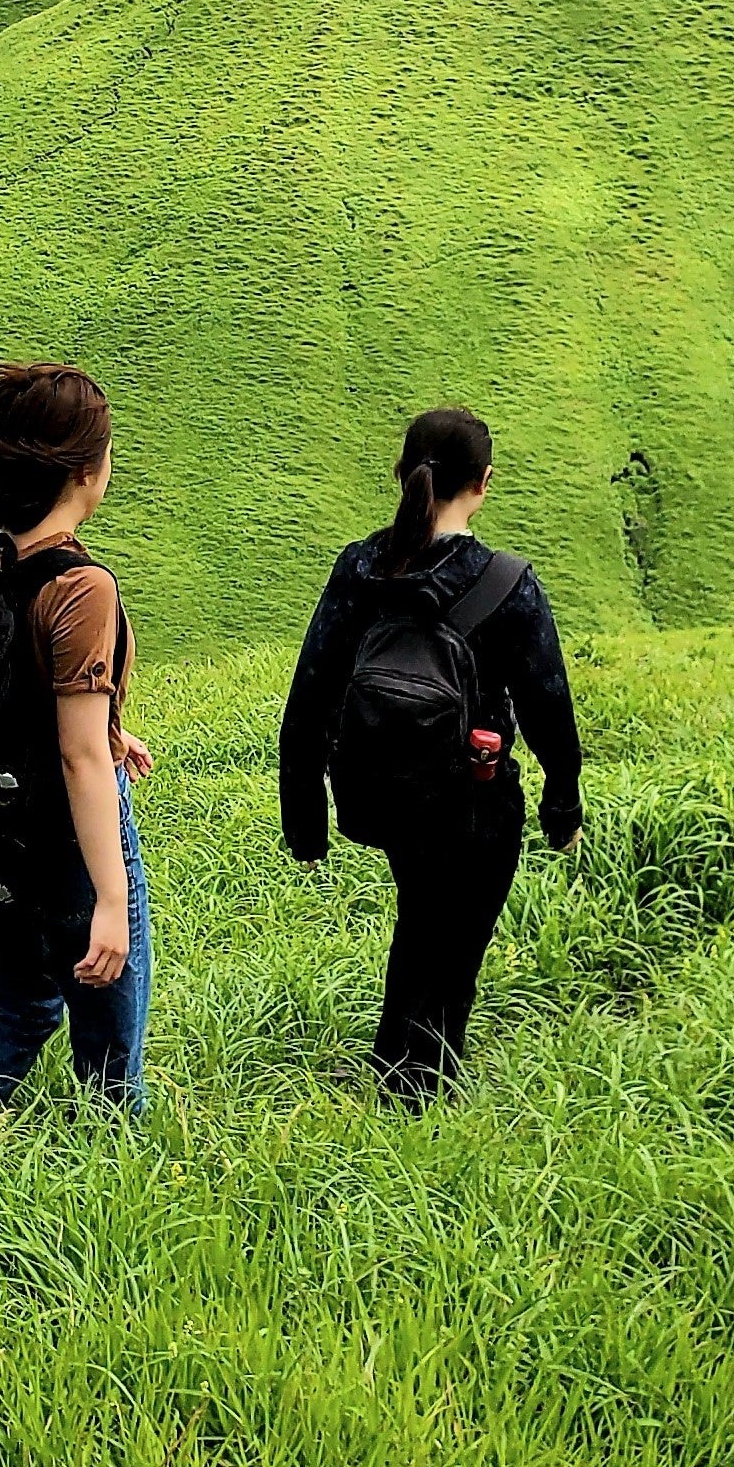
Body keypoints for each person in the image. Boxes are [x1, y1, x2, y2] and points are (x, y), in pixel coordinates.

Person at [279, 407, 583, 1100]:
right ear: (485, 481)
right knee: (451, 943)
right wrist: (561, 803)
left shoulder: (360, 567)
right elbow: (548, 704)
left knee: (423, 918)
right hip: (473, 799)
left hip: (380, 788)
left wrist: (306, 817)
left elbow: (311, 694)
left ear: (403, 473)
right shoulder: (507, 583)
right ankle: (415, 1087)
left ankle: (408, 1073)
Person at [0, 362, 155, 1108]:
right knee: (111, 1055)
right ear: (87, 469)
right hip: (70, 841)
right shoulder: (83, 587)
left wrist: (112, 730)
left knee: (14, 1007)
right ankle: (116, 1182)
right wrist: (112, 899)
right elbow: (77, 758)